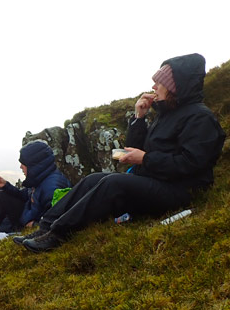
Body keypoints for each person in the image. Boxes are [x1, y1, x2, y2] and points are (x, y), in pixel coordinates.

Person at [22, 53, 226, 253]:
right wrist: (139, 117)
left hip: (180, 191)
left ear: (175, 87)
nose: (154, 87)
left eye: (159, 83)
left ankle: (58, 234)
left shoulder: (200, 118)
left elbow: (191, 163)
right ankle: (46, 226)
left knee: (113, 183)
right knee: (93, 179)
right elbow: (132, 149)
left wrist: (145, 158)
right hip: (155, 180)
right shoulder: (167, 114)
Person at [0, 140, 71, 240]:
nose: (21, 166)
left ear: (34, 165)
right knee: (1, 194)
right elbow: (25, 195)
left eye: (23, 163)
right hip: (26, 216)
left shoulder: (53, 188)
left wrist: (35, 225)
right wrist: (6, 185)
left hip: (27, 224)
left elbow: (57, 220)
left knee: (0, 199)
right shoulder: (40, 178)